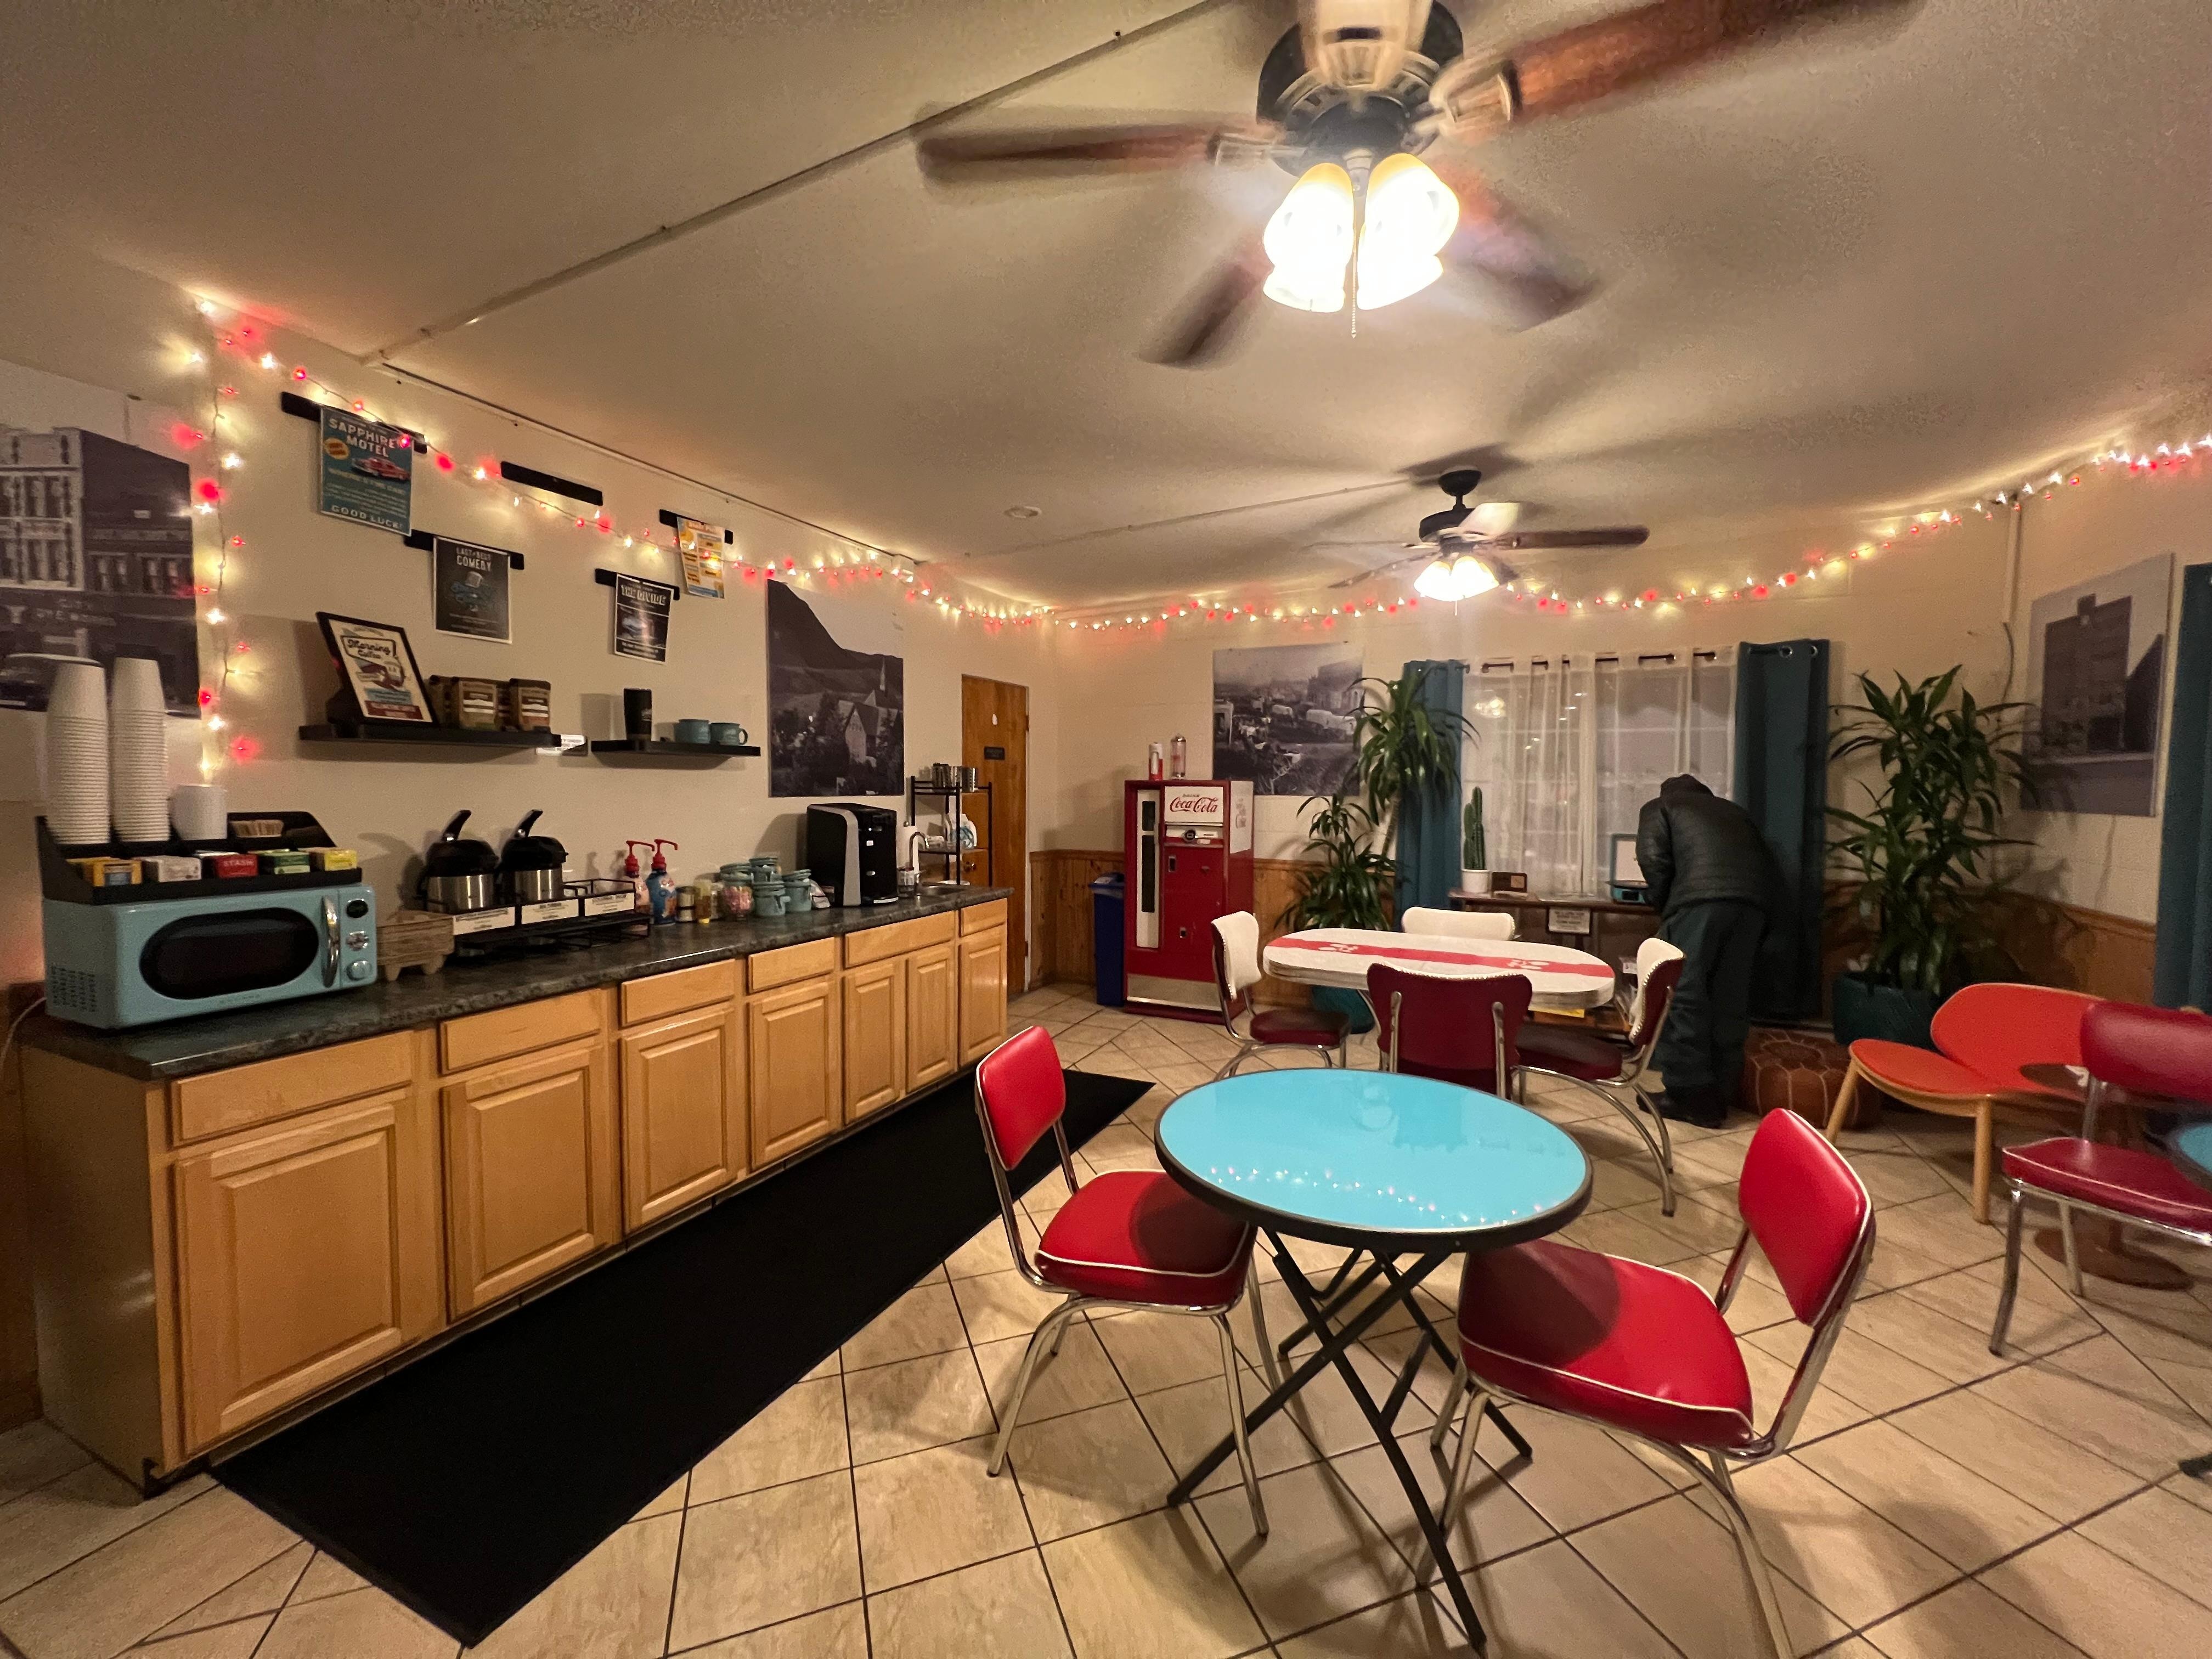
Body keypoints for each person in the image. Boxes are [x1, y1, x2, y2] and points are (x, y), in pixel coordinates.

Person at [1634, 774, 1781, 1130]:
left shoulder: (1662, 807)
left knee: (1683, 994)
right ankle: (1723, 1089)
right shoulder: (1735, 813)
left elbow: (1653, 860)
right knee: (1730, 995)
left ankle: (1690, 1096)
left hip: (1699, 901)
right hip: (1754, 905)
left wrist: (1667, 907)